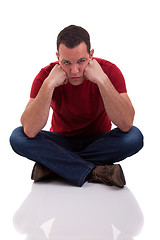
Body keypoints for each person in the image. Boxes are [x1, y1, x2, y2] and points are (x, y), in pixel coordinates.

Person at [10, 25, 143, 188]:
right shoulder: (46, 76)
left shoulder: (109, 71)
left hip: (99, 141)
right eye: (66, 62)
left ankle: (56, 167)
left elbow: (126, 123)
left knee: (134, 137)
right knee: (18, 137)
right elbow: (29, 130)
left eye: (81, 61)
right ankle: (95, 171)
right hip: (60, 141)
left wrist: (102, 80)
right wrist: (50, 84)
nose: (74, 71)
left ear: (91, 55)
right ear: (58, 57)